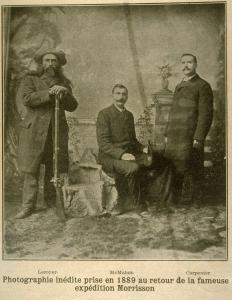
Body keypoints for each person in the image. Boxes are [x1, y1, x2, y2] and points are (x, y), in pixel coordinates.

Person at [16, 49, 78, 219]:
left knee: (54, 168)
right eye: (47, 60)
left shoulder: (63, 82)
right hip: (34, 131)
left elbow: (72, 106)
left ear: (58, 64)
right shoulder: (31, 79)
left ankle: (51, 203)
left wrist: (63, 92)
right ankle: (28, 206)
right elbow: (27, 99)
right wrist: (49, 92)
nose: (50, 64)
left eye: (54, 61)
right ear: (41, 63)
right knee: (31, 170)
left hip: (55, 132)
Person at [96, 84, 173, 215]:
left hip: (129, 154)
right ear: (113, 95)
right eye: (118, 93)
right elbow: (103, 143)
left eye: (123, 94)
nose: (121, 97)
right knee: (133, 168)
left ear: (127, 96)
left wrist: (142, 148)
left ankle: (162, 200)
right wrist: (121, 155)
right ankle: (138, 206)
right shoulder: (104, 114)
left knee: (164, 161)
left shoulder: (129, 115)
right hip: (110, 157)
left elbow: (132, 141)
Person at [164, 53, 213, 207]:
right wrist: (167, 133)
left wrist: (198, 137)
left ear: (196, 64)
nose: (186, 65)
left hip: (191, 136)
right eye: (183, 62)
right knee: (175, 166)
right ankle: (175, 199)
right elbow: (172, 112)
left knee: (194, 167)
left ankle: (197, 200)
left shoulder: (203, 86)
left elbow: (206, 114)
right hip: (175, 136)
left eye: (189, 62)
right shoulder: (179, 86)